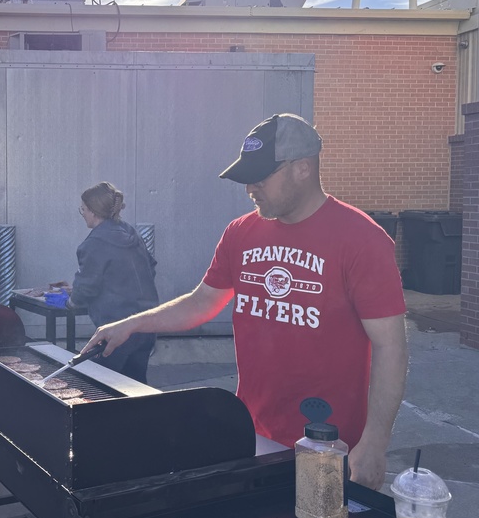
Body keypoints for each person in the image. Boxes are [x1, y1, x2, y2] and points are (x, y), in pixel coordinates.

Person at [83, 114, 409, 489]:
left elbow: (391, 347)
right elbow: (202, 303)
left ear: (303, 168)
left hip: (329, 446)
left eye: (260, 177)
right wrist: (130, 324)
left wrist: (375, 442)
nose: (250, 188)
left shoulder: (362, 240)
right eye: (245, 178)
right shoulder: (241, 233)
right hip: (251, 433)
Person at [63, 182, 159, 383]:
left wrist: (71, 302)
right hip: (147, 323)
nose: (82, 214)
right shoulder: (130, 232)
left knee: (102, 387)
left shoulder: (93, 244)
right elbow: (150, 268)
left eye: (83, 209)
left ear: (93, 211)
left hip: (118, 329)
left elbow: (86, 287)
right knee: (136, 386)